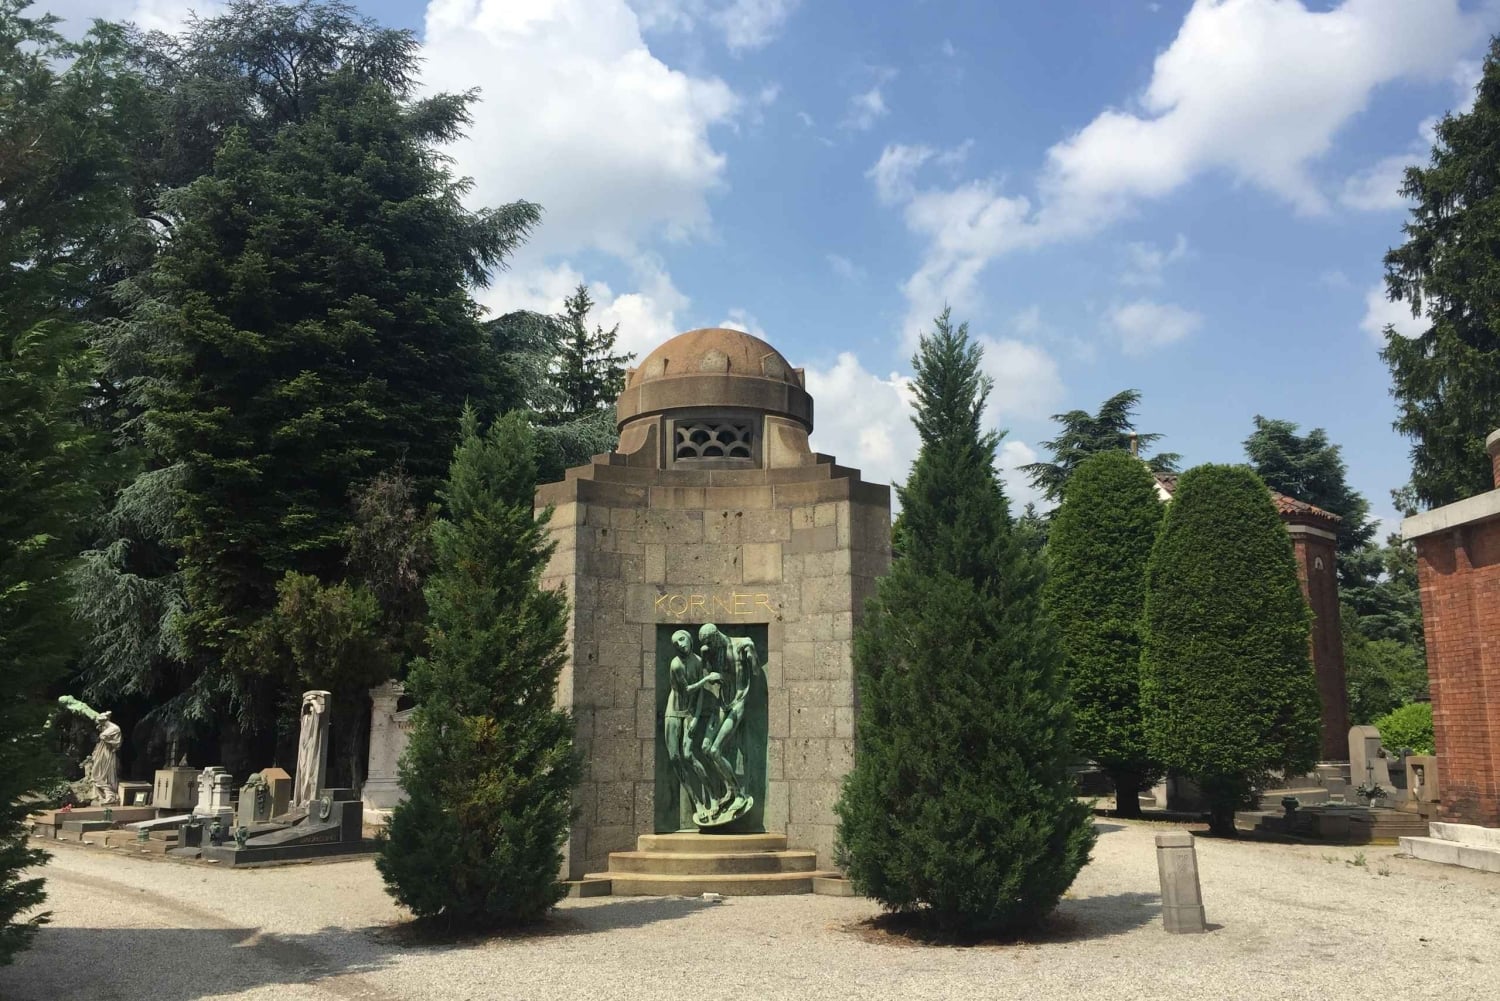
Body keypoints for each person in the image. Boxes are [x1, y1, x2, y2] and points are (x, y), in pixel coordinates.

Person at [697, 624, 758, 823]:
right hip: (723, 704)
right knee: (706, 747)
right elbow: (710, 677)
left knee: (715, 750)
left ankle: (739, 794)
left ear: (716, 637)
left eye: (710, 643)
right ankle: (730, 789)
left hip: (738, 703)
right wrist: (707, 661)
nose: (709, 647)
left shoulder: (742, 644)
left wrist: (753, 654)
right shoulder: (715, 653)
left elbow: (755, 672)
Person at [87, 712, 122, 805]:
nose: (99, 724)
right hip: (101, 752)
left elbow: (117, 742)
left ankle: (110, 796)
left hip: (107, 753)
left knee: (103, 774)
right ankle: (103, 795)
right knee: (96, 773)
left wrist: (105, 738)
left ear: (104, 721)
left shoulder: (115, 728)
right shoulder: (106, 728)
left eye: (100, 722)